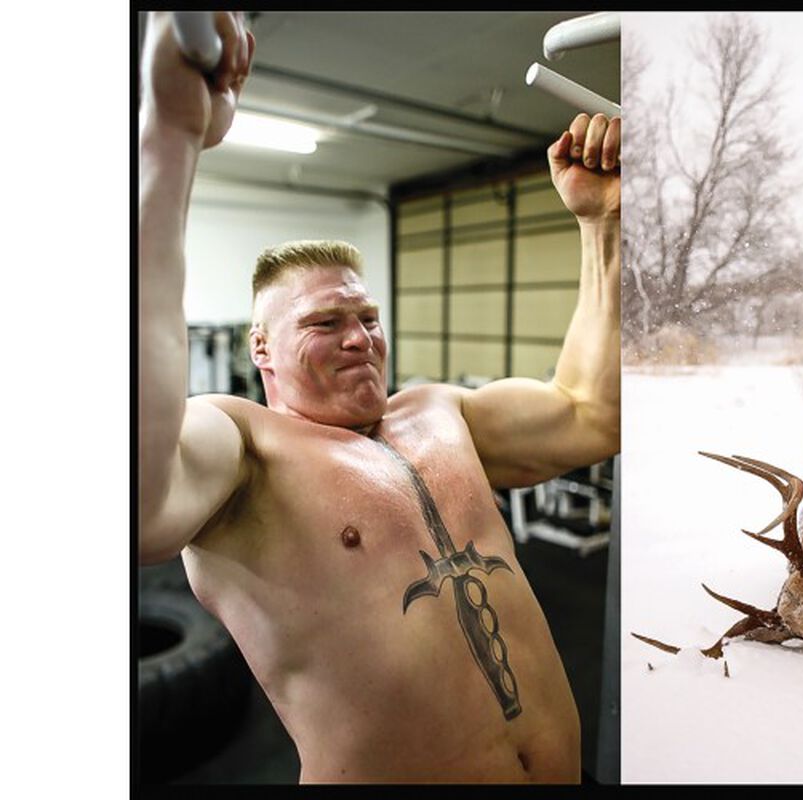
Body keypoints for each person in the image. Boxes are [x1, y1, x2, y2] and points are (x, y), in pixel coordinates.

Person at [138, 12, 620, 782]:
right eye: (327, 322)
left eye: (368, 317)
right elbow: (135, 498)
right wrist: (166, 138)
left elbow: (595, 413)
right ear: (260, 348)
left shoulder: (442, 412)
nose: (360, 337)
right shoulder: (243, 449)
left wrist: (602, 226)